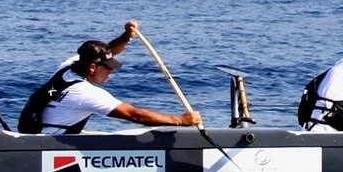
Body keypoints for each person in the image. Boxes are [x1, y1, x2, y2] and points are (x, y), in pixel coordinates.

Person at [19, 21, 204, 135]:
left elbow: (108, 50)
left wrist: (126, 37)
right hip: (49, 146)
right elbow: (134, 114)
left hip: (33, 131)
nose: (111, 71)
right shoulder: (84, 93)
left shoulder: (70, 65)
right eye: (107, 68)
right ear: (93, 67)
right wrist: (180, 121)